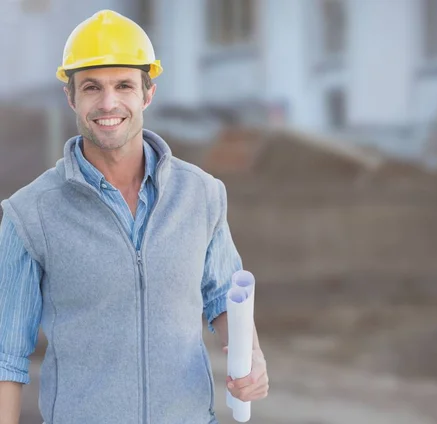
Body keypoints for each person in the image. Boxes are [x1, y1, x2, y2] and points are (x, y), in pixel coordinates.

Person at [0, 9, 268, 424]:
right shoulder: (29, 214)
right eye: (92, 87)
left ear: (147, 93)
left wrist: (250, 355)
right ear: (71, 97)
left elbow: (223, 297)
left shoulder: (202, 195)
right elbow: (6, 357)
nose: (109, 103)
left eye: (123, 85)